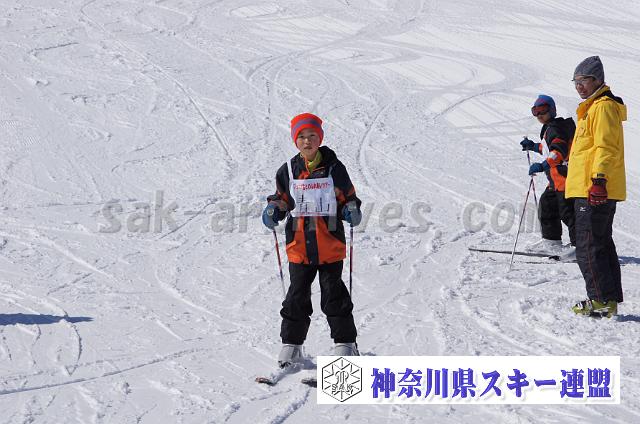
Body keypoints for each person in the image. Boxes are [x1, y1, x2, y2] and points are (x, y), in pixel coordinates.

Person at [261, 112, 363, 367]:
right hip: (299, 245)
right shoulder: (287, 170)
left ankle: (346, 344)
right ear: (295, 141)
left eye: (312, 135)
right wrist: (274, 209)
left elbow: (347, 197)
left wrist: (351, 209)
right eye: (302, 137)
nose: (307, 141)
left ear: (320, 138)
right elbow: (283, 198)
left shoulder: (334, 169)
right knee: (296, 296)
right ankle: (292, 345)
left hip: (329, 243)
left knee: (333, 294)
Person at [565, 56, 626, 318]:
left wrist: (599, 180)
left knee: (588, 245)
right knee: (600, 243)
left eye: (584, 80)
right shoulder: (593, 108)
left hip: (594, 188)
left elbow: (606, 146)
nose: (579, 86)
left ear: (597, 80)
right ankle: (607, 300)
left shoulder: (602, 107)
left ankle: (599, 299)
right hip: (590, 187)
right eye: (575, 81)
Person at [521, 95, 576, 255]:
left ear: (552, 110)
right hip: (555, 181)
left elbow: (558, 152)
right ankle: (552, 242)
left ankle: (580, 247)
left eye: (543, 110)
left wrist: (542, 165)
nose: (539, 115)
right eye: (535, 111)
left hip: (565, 179)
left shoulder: (556, 128)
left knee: (569, 214)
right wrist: (533, 146)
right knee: (547, 206)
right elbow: (548, 148)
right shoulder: (551, 127)